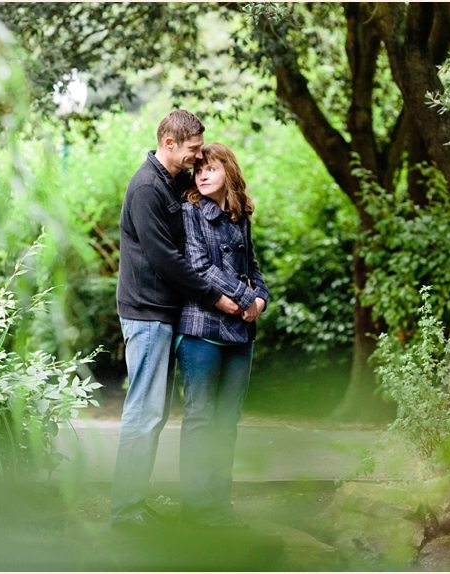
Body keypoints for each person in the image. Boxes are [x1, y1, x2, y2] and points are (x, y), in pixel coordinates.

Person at [111, 110, 241, 530]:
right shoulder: (147, 186)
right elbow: (165, 258)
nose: (197, 156)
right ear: (169, 143)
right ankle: (125, 511)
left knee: (154, 414)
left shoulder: (173, 183)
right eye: (192, 149)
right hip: (146, 314)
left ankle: (133, 503)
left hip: (165, 315)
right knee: (144, 414)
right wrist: (213, 296)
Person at [177, 142, 269, 527]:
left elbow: (255, 266)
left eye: (211, 168)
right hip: (202, 331)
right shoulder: (191, 211)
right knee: (200, 417)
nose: (202, 174)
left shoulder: (241, 218)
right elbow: (199, 267)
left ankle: (219, 502)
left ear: (228, 171)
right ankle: (197, 507)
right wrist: (245, 296)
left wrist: (260, 300)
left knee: (227, 421)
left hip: (241, 335)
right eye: (199, 169)